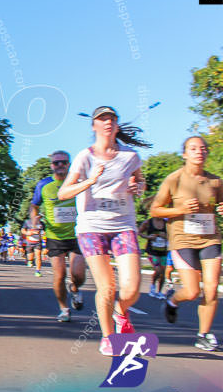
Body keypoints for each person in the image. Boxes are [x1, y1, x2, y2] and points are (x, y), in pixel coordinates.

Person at [58, 106, 148, 356]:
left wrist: (136, 186)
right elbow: (63, 193)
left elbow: (141, 182)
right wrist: (90, 181)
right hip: (92, 228)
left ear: (117, 125)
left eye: (112, 118)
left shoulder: (130, 156)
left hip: (123, 225)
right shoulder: (85, 157)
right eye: (102, 119)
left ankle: (121, 311)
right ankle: (108, 338)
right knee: (107, 287)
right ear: (94, 126)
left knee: (131, 289)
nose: (107, 122)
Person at [150, 136, 223, 351]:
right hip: (183, 240)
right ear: (185, 154)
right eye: (193, 148)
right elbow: (156, 209)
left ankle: (204, 334)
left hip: (210, 238)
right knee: (191, 291)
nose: (199, 152)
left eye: (202, 148)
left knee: (211, 289)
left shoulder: (216, 181)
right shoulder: (174, 179)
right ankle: (173, 301)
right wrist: (180, 210)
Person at [30, 150, 87, 323]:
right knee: (60, 274)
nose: (60, 165)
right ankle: (64, 309)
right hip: (55, 236)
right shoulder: (44, 185)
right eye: (56, 163)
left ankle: (75, 289)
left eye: (63, 162)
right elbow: (34, 205)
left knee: (78, 274)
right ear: (51, 166)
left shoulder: (78, 181)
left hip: (77, 234)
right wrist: (34, 220)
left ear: (69, 164)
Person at [137, 216, 168, 299]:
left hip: (163, 251)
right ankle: (152, 287)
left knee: (163, 272)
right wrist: (148, 237)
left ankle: (160, 291)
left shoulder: (166, 223)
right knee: (158, 269)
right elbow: (139, 232)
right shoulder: (148, 222)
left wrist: (166, 236)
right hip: (152, 251)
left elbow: (173, 236)